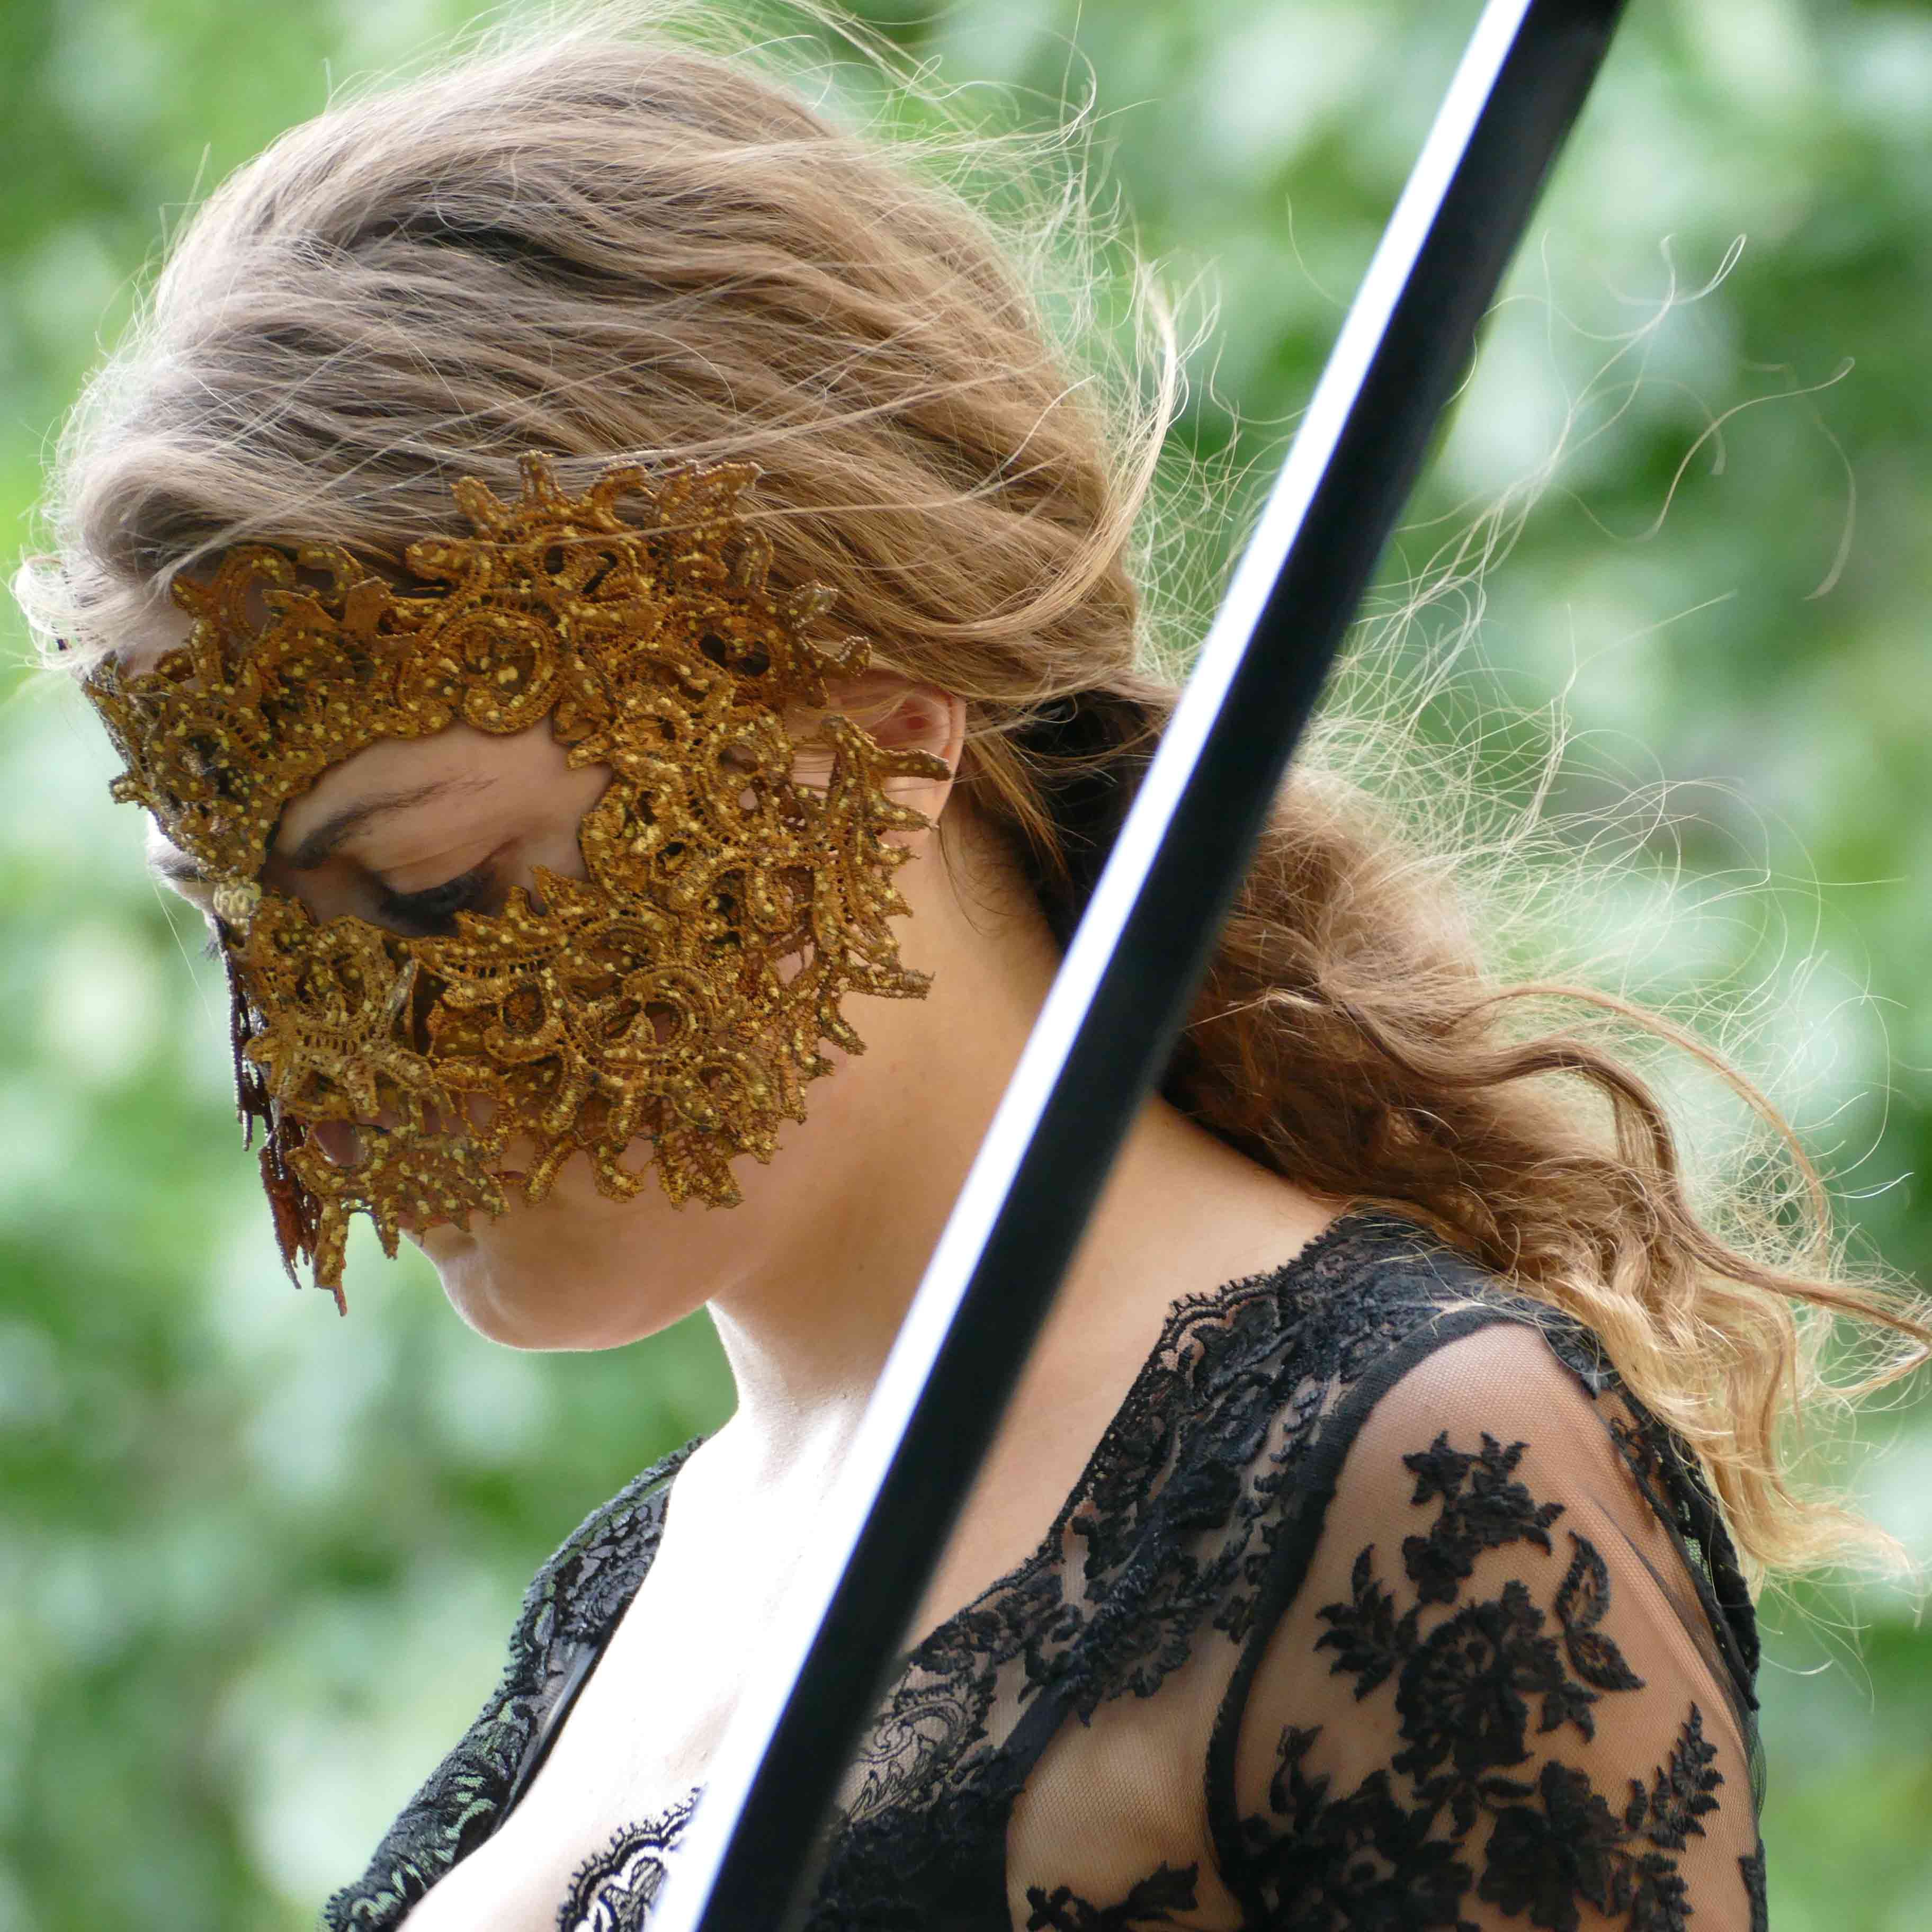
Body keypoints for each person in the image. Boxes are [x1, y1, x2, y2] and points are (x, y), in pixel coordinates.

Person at [15, 10, 1927, 1929]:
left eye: (433, 893)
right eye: (234, 930)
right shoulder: (637, 1591)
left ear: (873, 737)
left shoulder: (1416, 1476)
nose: (323, 1091)